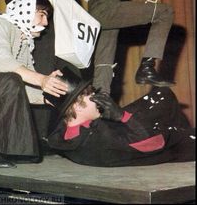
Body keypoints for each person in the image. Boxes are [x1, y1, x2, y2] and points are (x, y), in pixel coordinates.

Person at [0, 0, 68, 169]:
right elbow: (2, 61)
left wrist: (53, 97)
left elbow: (22, 87)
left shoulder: (23, 43)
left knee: (12, 80)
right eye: (42, 15)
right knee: (10, 78)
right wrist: (43, 80)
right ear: (25, 10)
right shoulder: (0, 24)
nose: (45, 23)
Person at [4, 0, 81, 143]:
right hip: (41, 30)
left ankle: (64, 134)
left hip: (65, 29)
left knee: (70, 78)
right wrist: (36, 21)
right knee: (42, 78)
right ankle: (37, 140)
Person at [45, 68, 195, 167]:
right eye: (89, 94)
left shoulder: (65, 131)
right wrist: (122, 116)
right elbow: (152, 143)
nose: (95, 96)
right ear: (76, 106)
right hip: (155, 142)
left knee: (163, 94)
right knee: (181, 132)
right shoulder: (98, 137)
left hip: (121, 133)